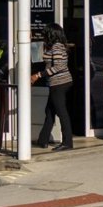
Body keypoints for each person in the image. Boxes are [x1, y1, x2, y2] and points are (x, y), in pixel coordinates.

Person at [32, 23, 74, 151]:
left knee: (61, 112)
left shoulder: (57, 47)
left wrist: (39, 75)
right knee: (49, 111)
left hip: (59, 83)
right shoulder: (54, 46)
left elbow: (59, 67)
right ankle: (43, 140)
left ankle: (67, 142)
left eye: (46, 33)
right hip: (56, 83)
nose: (44, 35)